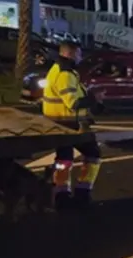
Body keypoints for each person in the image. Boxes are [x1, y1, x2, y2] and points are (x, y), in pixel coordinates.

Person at [42, 41, 105, 209]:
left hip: (59, 124)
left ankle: (62, 195)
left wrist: (92, 100)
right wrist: (94, 98)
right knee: (93, 155)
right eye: (78, 54)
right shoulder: (65, 74)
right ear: (70, 54)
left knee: (64, 159)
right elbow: (73, 103)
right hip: (69, 125)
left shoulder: (58, 71)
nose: (80, 57)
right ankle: (82, 194)